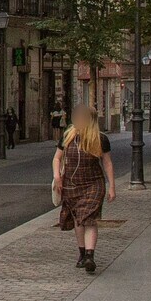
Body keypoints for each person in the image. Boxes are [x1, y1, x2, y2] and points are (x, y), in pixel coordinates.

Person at [53, 105, 116, 274]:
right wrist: (57, 177)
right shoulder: (68, 136)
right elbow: (57, 158)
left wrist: (112, 187)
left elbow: (107, 163)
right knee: (78, 219)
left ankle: (90, 256)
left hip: (93, 184)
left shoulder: (100, 139)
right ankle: (82, 253)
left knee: (89, 218)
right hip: (72, 184)